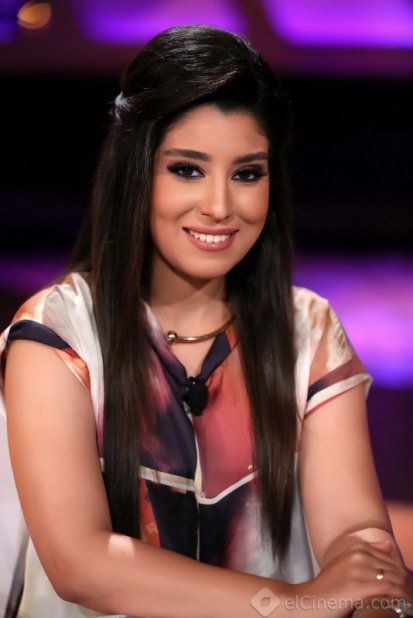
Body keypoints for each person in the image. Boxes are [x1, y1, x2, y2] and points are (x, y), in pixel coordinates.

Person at [1, 24, 412, 618]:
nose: (220, 206)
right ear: (136, 171)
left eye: (246, 174)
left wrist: (374, 597)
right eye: (187, 170)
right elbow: (81, 564)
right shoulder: (57, 334)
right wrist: (291, 604)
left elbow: (359, 541)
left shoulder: (307, 331)